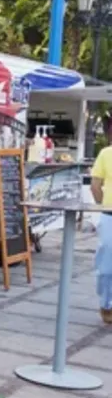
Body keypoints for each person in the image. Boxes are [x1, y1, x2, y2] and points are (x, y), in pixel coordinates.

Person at [90, 118, 112, 324]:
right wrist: (103, 205)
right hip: (109, 216)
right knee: (106, 266)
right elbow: (95, 185)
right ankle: (107, 304)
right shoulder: (106, 154)